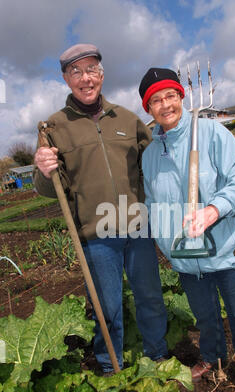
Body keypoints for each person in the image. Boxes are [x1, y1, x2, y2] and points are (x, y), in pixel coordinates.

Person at [138, 67, 235, 392]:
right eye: (156, 100)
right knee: (205, 315)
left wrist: (213, 209)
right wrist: (166, 243)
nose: (165, 105)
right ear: (148, 109)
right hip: (187, 257)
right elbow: (154, 203)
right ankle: (211, 357)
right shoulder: (150, 154)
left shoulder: (210, 132)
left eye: (170, 96)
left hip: (226, 247)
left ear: (181, 97)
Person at [34, 44, 168, 374]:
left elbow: (153, 166)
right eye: (76, 71)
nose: (85, 78)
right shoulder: (54, 127)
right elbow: (52, 191)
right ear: (66, 79)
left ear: (102, 75)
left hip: (137, 227)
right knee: (106, 307)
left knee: (150, 297)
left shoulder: (127, 119)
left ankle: (159, 356)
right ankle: (112, 368)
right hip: (96, 235)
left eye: (91, 69)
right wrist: (42, 168)